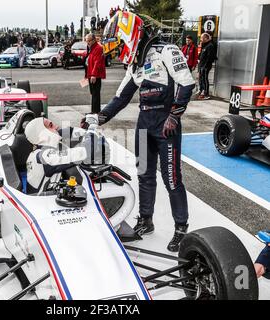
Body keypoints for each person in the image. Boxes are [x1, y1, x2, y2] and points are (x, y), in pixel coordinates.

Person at [81, 12, 195, 252]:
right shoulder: (135, 64)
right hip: (144, 124)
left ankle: (181, 228)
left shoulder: (167, 50)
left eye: (120, 42)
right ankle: (146, 220)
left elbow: (187, 82)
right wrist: (98, 118)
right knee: (144, 174)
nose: (117, 48)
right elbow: (121, 97)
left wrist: (175, 116)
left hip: (166, 124)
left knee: (172, 178)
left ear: (130, 34)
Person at [25, 117, 93, 195]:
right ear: (42, 133)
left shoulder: (43, 147)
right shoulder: (43, 156)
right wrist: (90, 142)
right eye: (51, 125)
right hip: (41, 202)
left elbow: (69, 131)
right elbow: (80, 153)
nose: (56, 126)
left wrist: (87, 127)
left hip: (50, 194)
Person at [85, 33, 106, 114]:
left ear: (93, 40)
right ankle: (95, 110)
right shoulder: (92, 48)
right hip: (91, 73)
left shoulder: (98, 48)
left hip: (95, 75)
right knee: (93, 93)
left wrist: (93, 75)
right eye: (86, 41)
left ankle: (95, 111)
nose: (88, 43)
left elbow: (97, 62)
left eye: (89, 41)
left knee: (95, 93)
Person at [198, 33, 217, 100]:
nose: (201, 39)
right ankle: (201, 91)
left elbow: (210, 57)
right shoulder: (204, 45)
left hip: (205, 66)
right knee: (201, 79)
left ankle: (206, 94)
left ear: (206, 38)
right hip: (201, 65)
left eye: (202, 38)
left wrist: (205, 66)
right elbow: (201, 55)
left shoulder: (210, 46)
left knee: (205, 79)